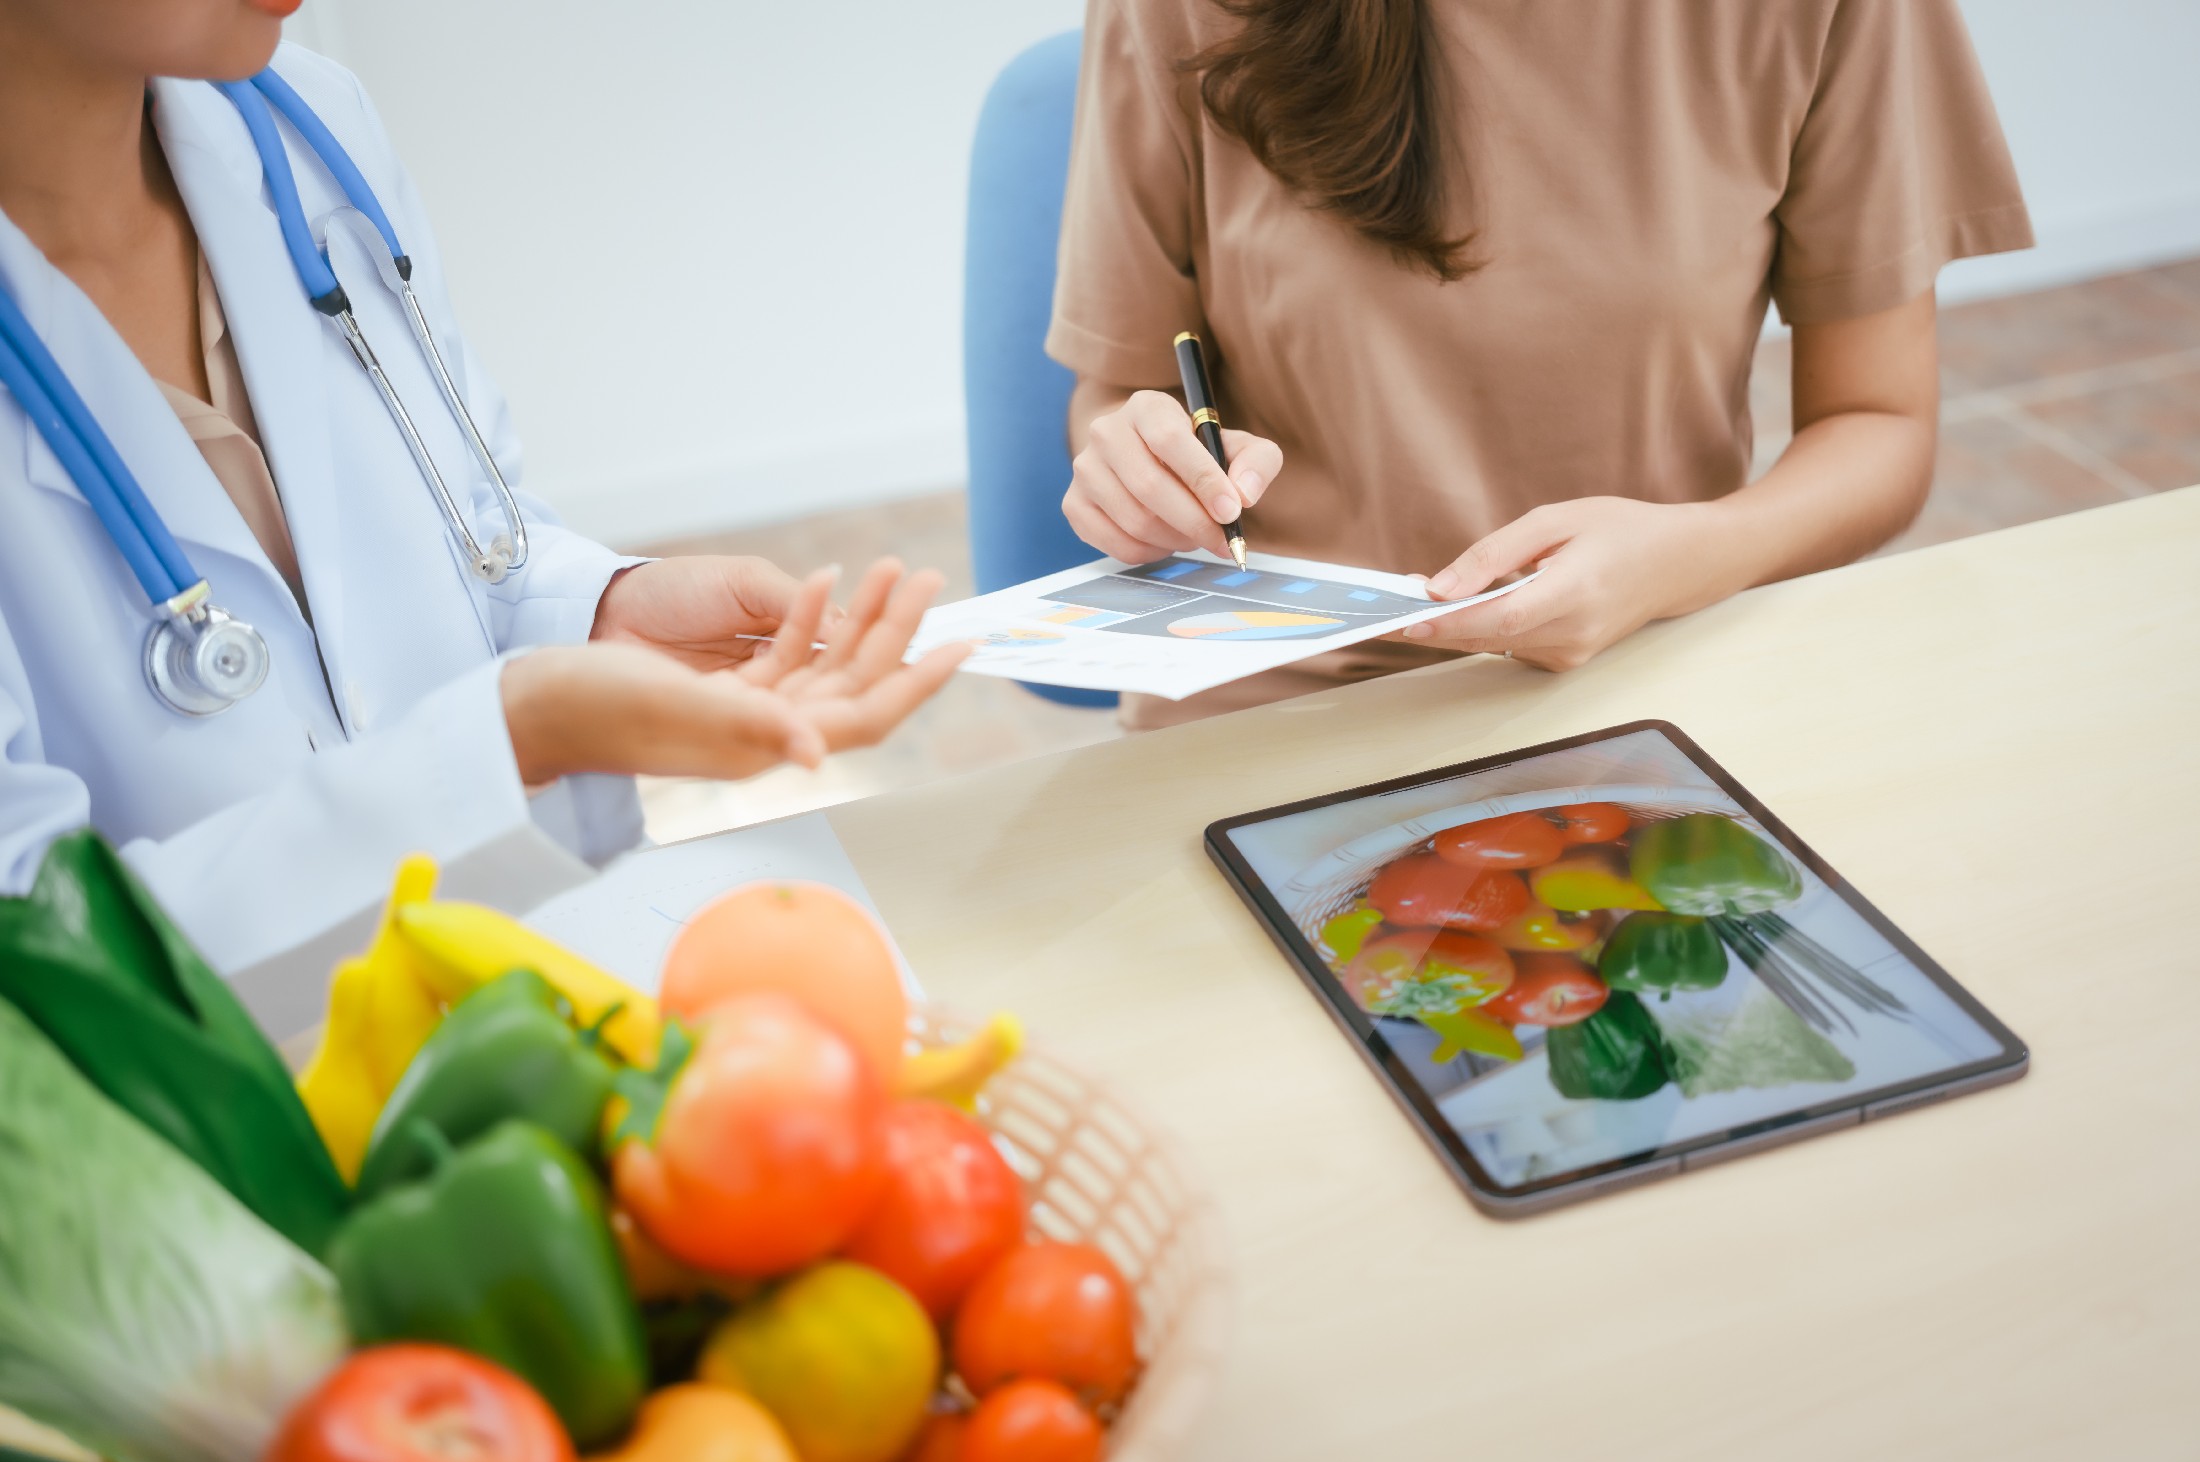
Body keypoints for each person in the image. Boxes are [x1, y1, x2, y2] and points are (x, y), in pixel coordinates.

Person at [0, 0, 966, 971]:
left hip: (538, 1010)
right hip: (203, 1110)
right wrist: (513, 740)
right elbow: (37, 968)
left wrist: (594, 612)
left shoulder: (307, 127)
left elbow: (472, 530)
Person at [1050, 0, 2032, 728]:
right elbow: (1119, 388)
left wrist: (1696, 554)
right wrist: (1130, 464)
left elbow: (1879, 424)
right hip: (1266, 691)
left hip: (1633, 673)